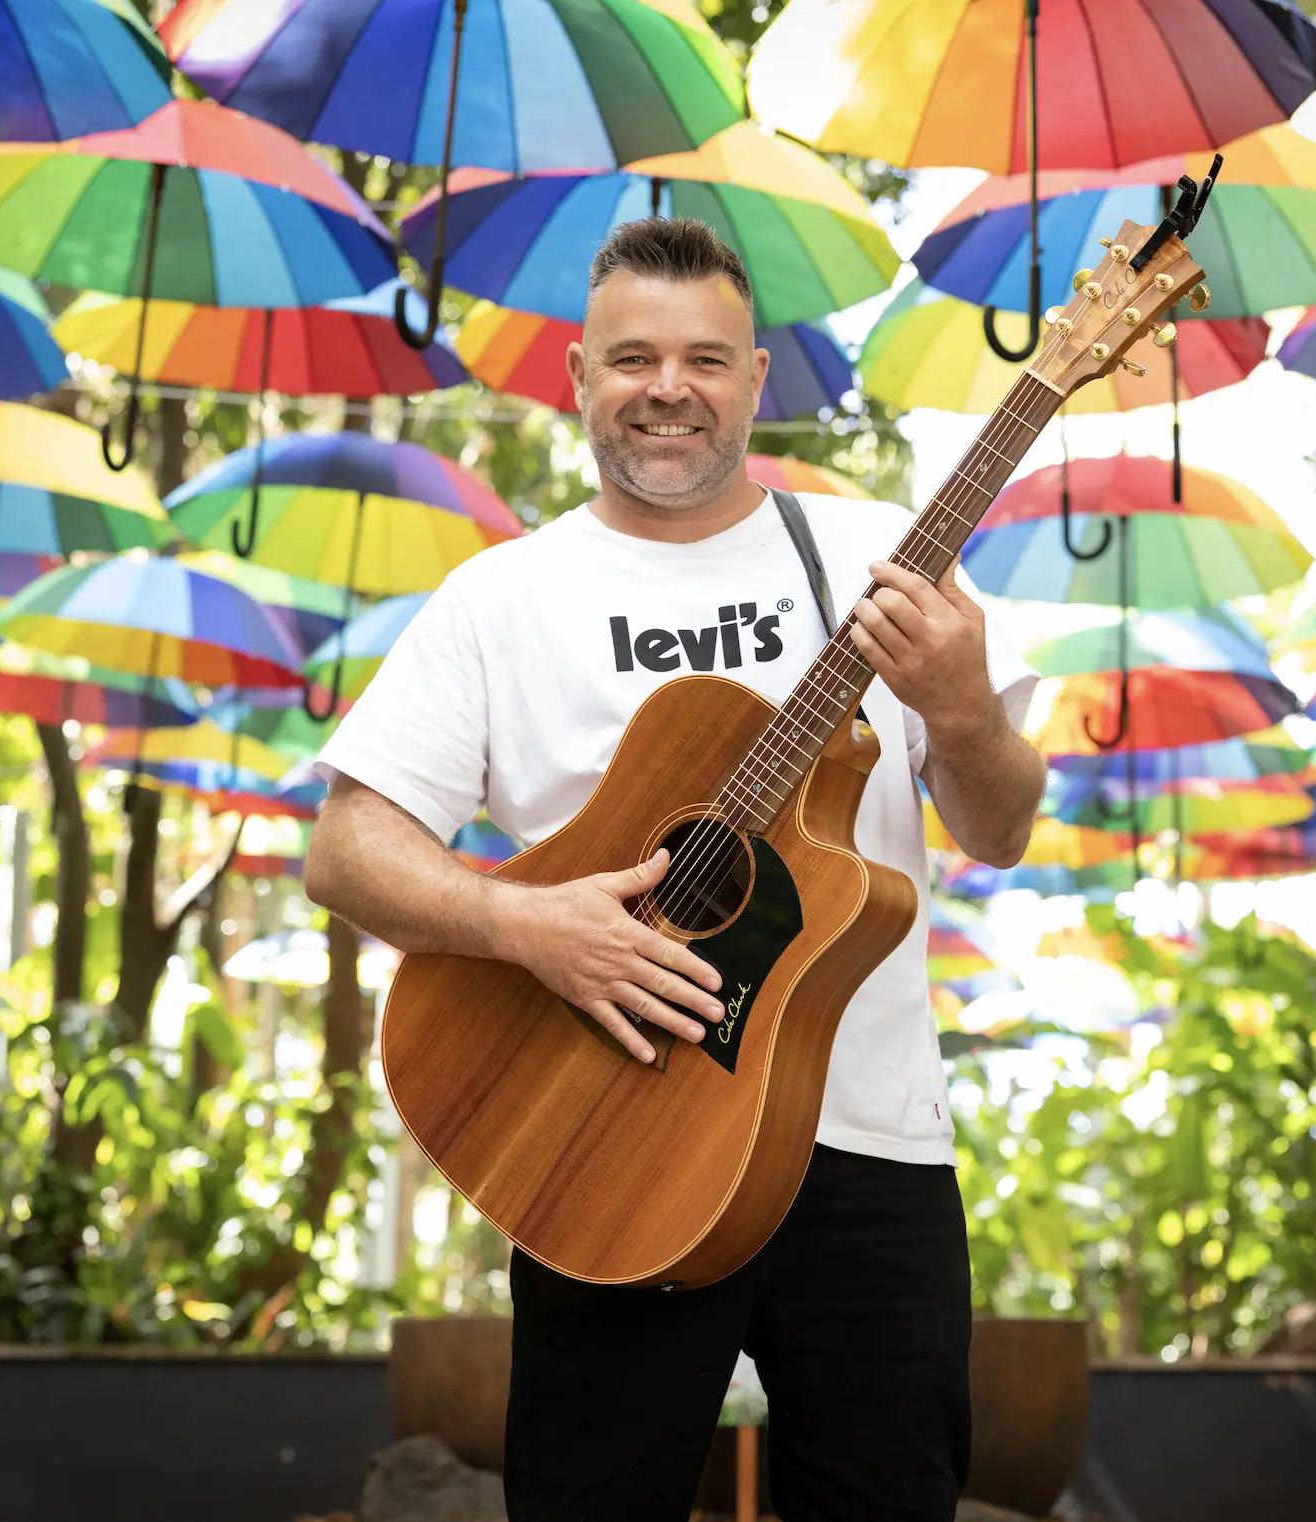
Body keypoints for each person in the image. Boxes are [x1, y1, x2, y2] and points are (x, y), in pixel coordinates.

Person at [306, 217, 1046, 1520]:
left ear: (757, 379)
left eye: (704, 358)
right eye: (632, 357)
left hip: (868, 1141)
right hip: (607, 1129)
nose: (667, 388)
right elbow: (348, 847)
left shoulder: (881, 560)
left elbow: (998, 829)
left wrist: (968, 710)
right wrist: (525, 926)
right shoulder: (502, 599)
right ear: (578, 379)